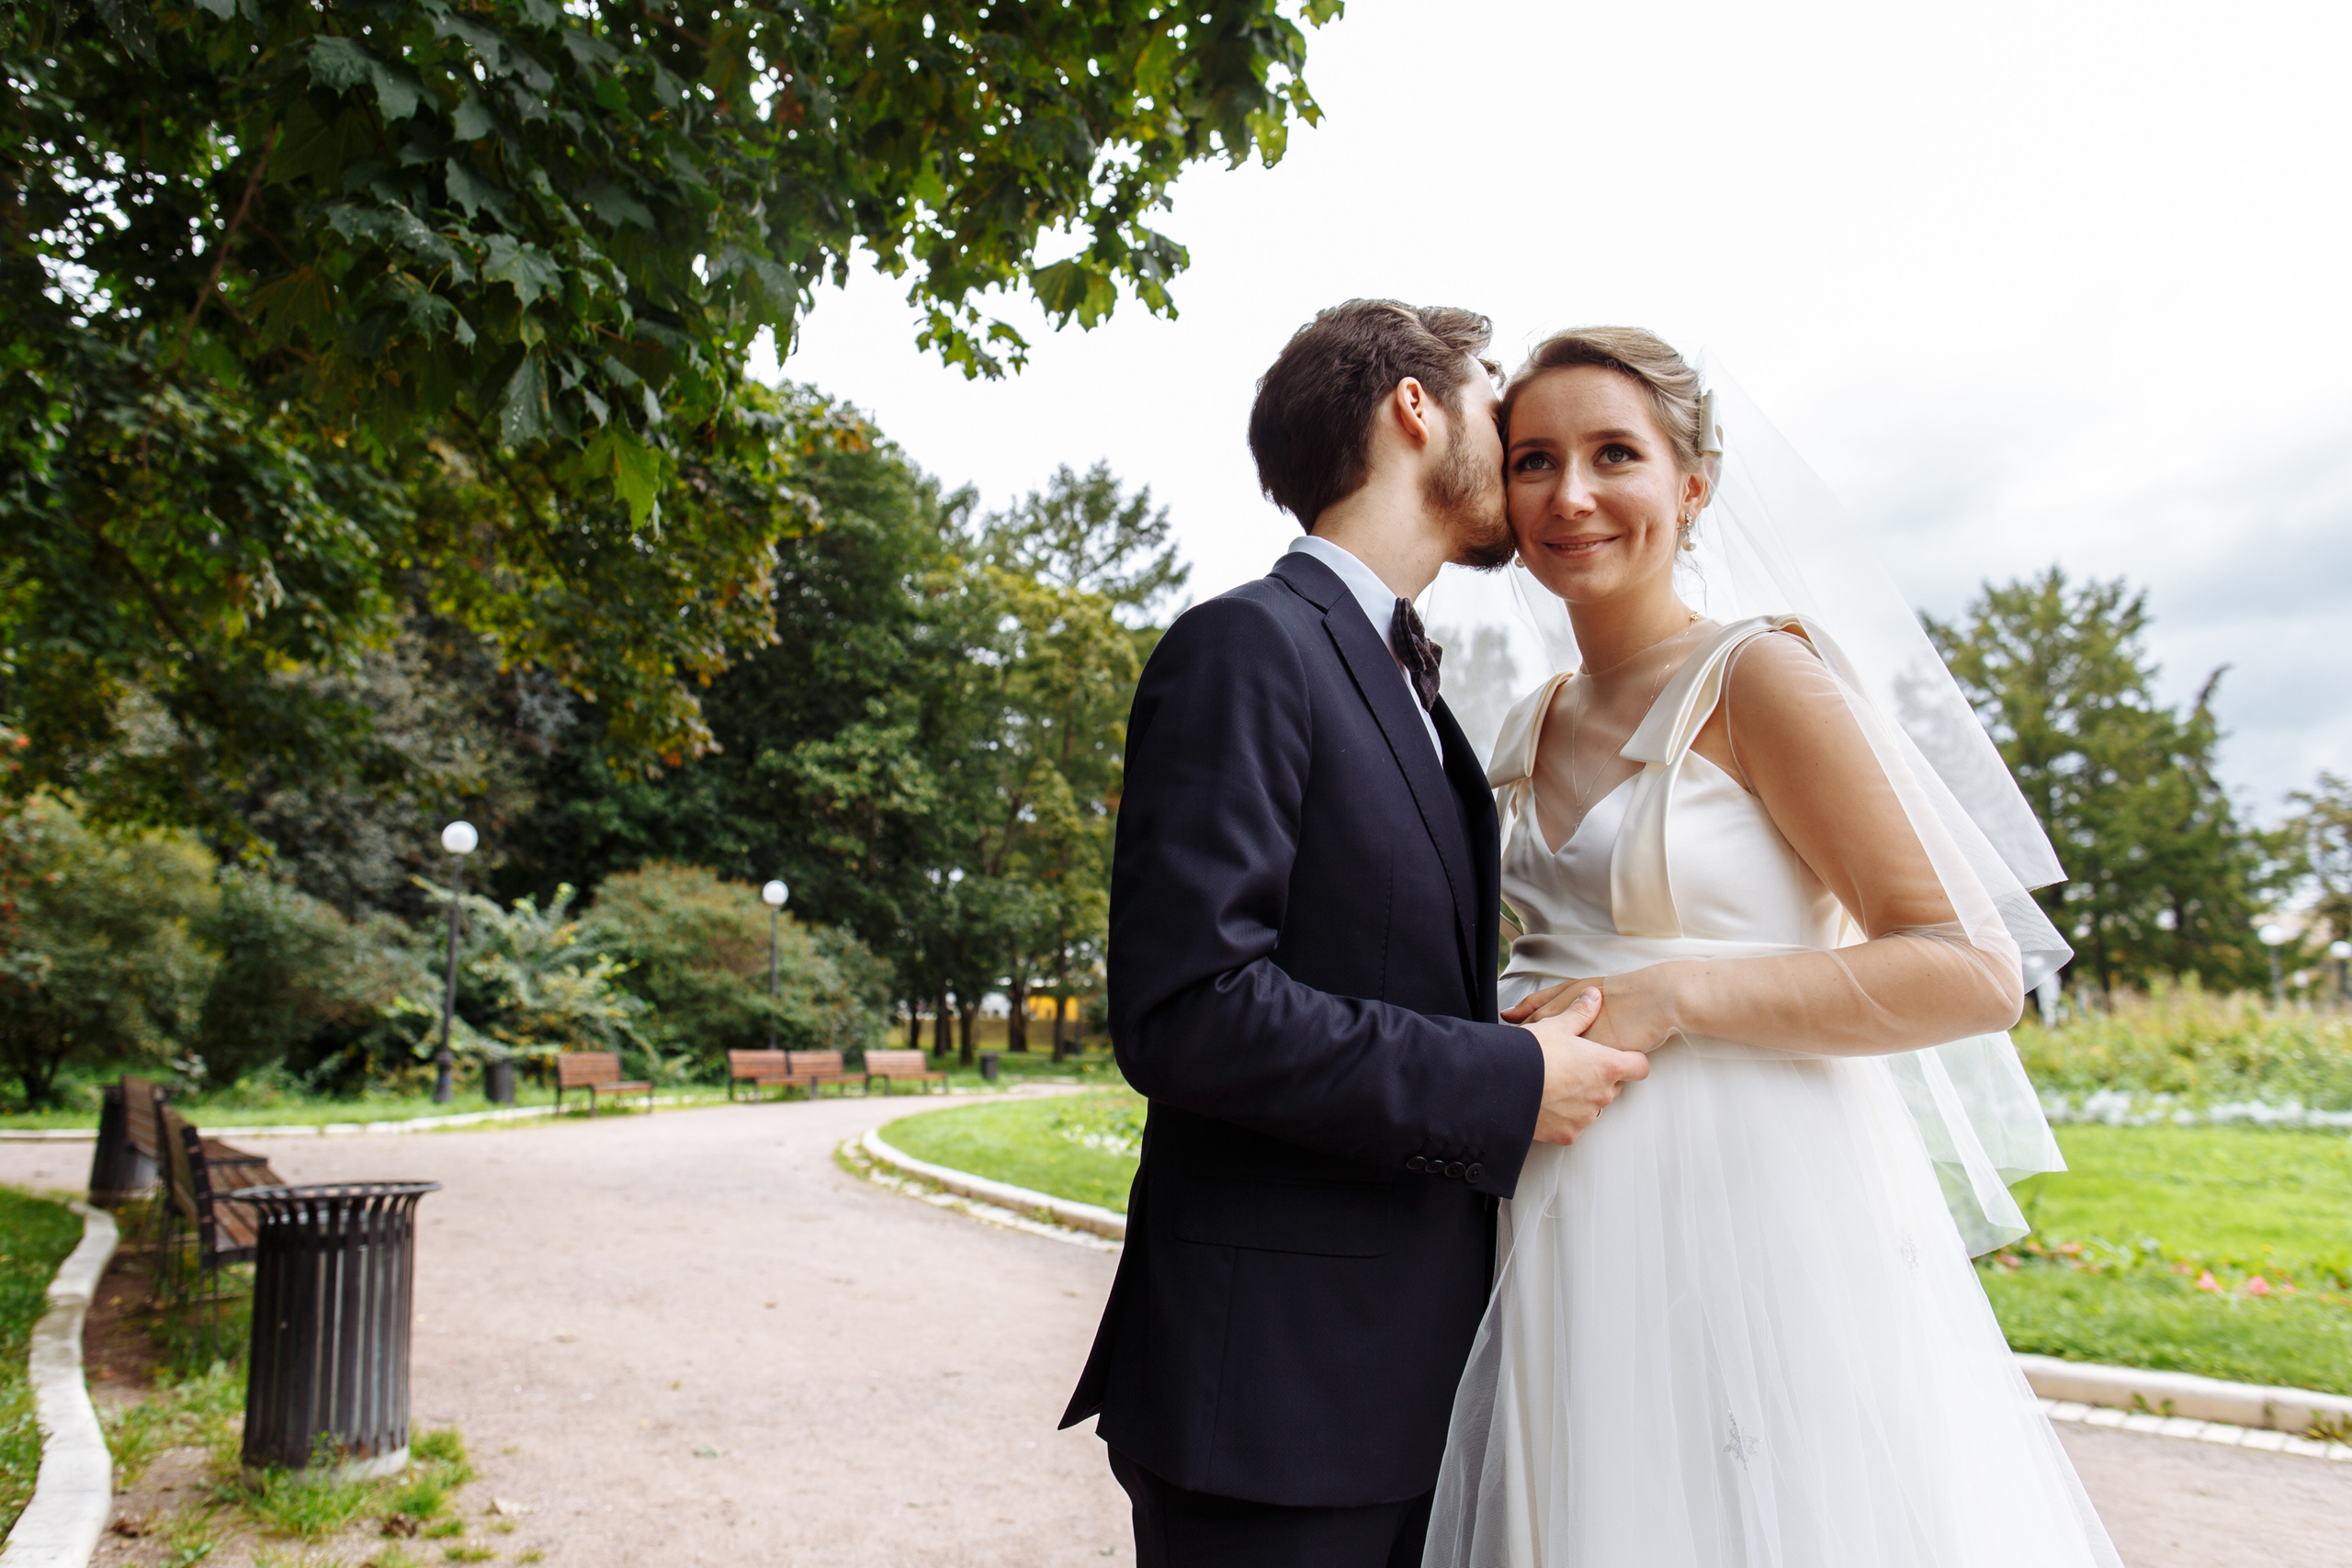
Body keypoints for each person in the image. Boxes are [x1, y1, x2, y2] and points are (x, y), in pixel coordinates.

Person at [1419, 328, 2121, 1566]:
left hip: (1753, 1209)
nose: (1570, 495)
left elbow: (1970, 968)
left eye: (1614, 454)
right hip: (1562, 1211)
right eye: (1535, 459)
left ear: (1693, 487)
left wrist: (1674, 995)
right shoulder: (1528, 722)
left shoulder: (1758, 677)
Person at [1059, 300, 1654, 1568]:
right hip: (1273, 1398)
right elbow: (1191, 1006)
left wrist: (1495, 1027)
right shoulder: (1248, 646)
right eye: (1501, 407)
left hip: (1405, 1378)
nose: (1527, 453)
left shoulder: (1419, 701)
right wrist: (1503, 1079)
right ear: (1415, 406)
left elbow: (1361, 973)